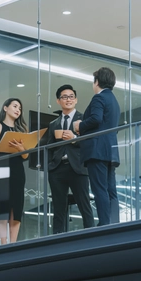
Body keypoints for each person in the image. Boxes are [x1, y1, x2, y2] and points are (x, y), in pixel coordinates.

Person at [39, 84, 94, 234]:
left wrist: (75, 138)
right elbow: (49, 147)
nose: (68, 100)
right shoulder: (53, 124)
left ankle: (91, 237)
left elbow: (91, 143)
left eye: (71, 97)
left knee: (85, 205)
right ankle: (57, 241)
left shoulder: (84, 119)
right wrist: (50, 166)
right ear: (58, 101)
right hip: (57, 169)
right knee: (58, 208)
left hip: (78, 167)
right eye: (64, 97)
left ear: (75, 100)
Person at [73, 67, 121, 226]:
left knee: (99, 188)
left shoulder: (98, 98)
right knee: (110, 190)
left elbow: (95, 119)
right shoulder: (114, 100)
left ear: (97, 82)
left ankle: (105, 224)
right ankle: (113, 222)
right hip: (111, 151)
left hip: (97, 150)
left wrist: (80, 125)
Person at [0, 98, 28, 244]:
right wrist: (8, 144)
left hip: (17, 168)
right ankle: (3, 244)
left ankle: (13, 243)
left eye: (20, 108)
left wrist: (20, 149)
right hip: (1, 167)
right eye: (15, 106)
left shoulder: (22, 131)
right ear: (5, 108)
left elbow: (26, 155)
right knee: (2, 205)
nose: (18, 110)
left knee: (16, 206)